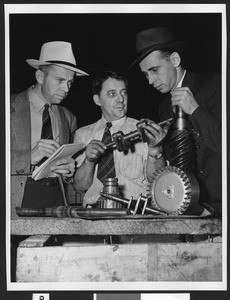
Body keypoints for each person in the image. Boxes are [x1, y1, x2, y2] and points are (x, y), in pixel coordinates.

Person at [131, 27, 221, 216]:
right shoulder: (164, 108)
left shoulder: (216, 86)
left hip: (220, 206)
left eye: (154, 70)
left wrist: (195, 110)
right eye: (146, 74)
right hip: (189, 208)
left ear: (175, 60)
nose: (150, 81)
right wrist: (157, 149)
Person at [11, 41, 89, 218]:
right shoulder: (8, 107)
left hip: (56, 199)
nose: (66, 89)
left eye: (70, 82)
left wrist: (70, 170)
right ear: (40, 76)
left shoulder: (68, 117)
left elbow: (67, 165)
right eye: (60, 80)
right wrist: (28, 157)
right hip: (18, 197)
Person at [73, 70, 169, 208]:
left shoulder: (145, 131)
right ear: (97, 100)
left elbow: (158, 182)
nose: (121, 99)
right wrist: (89, 161)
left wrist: (155, 149)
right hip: (94, 214)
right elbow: (80, 188)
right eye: (112, 94)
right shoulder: (82, 135)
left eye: (123, 92)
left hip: (134, 212)